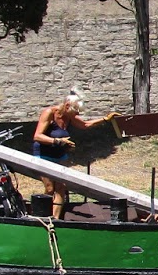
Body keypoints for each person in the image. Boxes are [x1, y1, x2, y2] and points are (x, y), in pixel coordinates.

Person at [33, 90, 117, 218]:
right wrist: (58, 141)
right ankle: (43, 215)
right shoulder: (49, 113)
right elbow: (37, 136)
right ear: (67, 106)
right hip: (43, 154)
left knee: (61, 187)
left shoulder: (69, 116)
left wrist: (105, 119)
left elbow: (85, 125)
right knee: (50, 188)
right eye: (76, 111)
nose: (77, 114)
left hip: (59, 154)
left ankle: (55, 219)